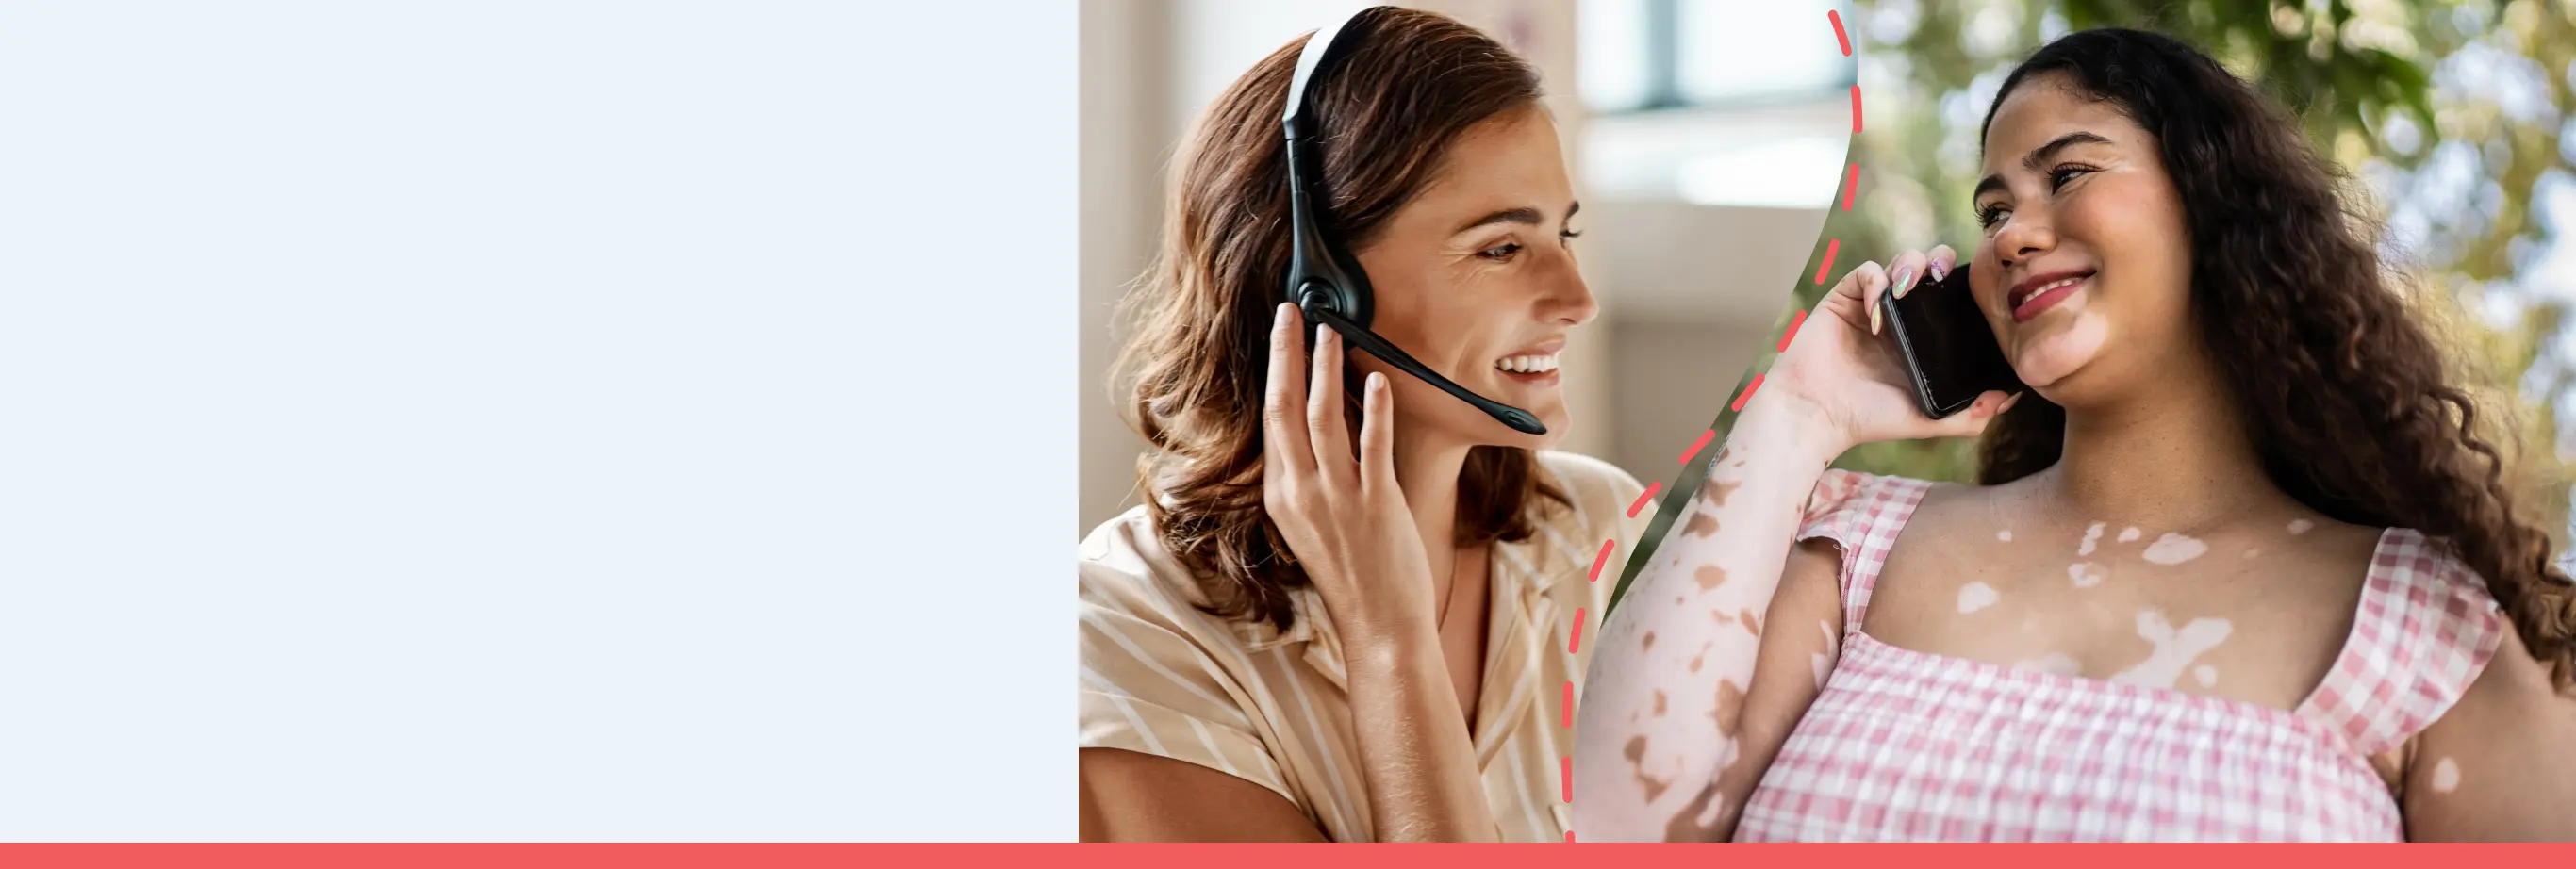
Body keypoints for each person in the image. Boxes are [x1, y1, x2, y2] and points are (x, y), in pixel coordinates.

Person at [1576, 28, 2576, 842]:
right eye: (1992, 206)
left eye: (2066, 174)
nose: (2009, 231)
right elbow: (1611, 824)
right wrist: (1797, 415)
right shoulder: (1856, 552)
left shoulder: (2426, 622)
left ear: (2209, 201)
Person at [1077, 8, 1649, 842]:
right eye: (1500, 248)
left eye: (1563, 234)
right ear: (1318, 289)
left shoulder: (1598, 532)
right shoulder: (1124, 641)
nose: (1577, 299)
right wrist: (1390, 642)